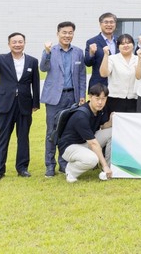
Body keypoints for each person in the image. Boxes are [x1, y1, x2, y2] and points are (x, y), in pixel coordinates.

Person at [0, 32, 40, 182]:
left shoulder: (32, 61)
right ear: (9, 44)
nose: (17, 44)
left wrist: (35, 103)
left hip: (24, 105)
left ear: (24, 43)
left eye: (20, 42)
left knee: (23, 138)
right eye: (14, 42)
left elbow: (35, 83)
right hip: (5, 104)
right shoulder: (1, 59)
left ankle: (22, 168)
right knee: (3, 138)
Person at [40, 21, 87, 178]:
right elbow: (43, 68)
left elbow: (82, 76)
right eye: (64, 32)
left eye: (70, 32)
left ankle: (63, 163)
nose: (67, 35)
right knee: (52, 131)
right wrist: (46, 52)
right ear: (58, 33)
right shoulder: (50, 50)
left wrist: (82, 96)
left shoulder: (78, 52)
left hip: (73, 96)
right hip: (55, 98)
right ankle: (49, 165)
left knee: (68, 131)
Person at [58, 83, 113, 183]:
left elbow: (102, 127)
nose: (100, 102)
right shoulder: (81, 116)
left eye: (103, 99)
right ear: (90, 97)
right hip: (70, 147)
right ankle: (71, 171)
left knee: (111, 132)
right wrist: (103, 164)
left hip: (85, 142)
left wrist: (111, 122)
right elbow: (93, 143)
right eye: (97, 98)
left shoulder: (100, 110)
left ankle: (109, 168)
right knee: (92, 159)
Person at [99, 33, 138, 113]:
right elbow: (103, 74)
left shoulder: (138, 59)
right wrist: (106, 55)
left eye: (128, 43)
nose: (125, 45)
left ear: (133, 45)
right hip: (115, 98)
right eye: (122, 44)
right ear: (118, 46)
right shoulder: (112, 59)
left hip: (133, 98)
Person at [84, 12, 117, 88]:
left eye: (111, 22)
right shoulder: (92, 42)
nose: (109, 25)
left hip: (117, 85)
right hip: (99, 85)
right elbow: (88, 63)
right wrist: (91, 53)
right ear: (100, 24)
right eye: (106, 22)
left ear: (115, 24)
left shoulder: (119, 41)